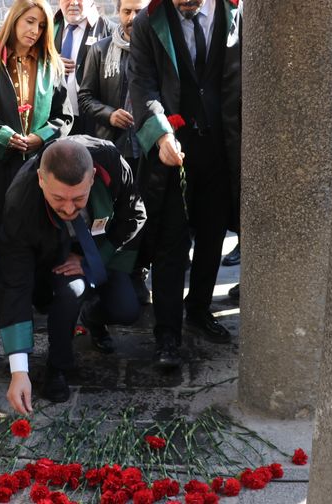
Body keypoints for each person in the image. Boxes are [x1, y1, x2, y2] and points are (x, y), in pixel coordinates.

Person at [0, 137, 145, 414]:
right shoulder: (20, 201)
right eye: (58, 199)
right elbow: (15, 281)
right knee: (69, 292)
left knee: (127, 310)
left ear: (93, 177)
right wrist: (19, 371)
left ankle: (92, 316)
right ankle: (58, 367)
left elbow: (134, 214)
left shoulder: (111, 161)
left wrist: (93, 259)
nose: (68, 209)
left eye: (78, 199)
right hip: (52, 256)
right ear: (41, 180)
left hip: (99, 246)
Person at [128, 0, 242, 368]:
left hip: (222, 146)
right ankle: (167, 334)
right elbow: (142, 85)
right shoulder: (148, 21)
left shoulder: (235, 11)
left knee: (213, 236)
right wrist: (161, 135)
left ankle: (198, 309)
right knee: (171, 241)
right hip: (172, 150)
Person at [0, 0, 73, 251]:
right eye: (30, 21)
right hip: (0, 166)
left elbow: (64, 117)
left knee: (37, 234)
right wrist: (4, 136)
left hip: (38, 165)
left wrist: (40, 137)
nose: (35, 31)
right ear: (14, 20)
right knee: (2, 236)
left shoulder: (51, 66)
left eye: (41, 26)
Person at [78, 0, 150, 305]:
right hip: (113, 148)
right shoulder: (100, 49)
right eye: (126, 11)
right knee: (113, 213)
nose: (132, 17)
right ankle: (111, 274)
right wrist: (109, 114)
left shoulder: (155, 48)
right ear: (117, 13)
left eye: (138, 11)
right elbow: (85, 97)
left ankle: (139, 273)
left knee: (144, 214)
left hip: (147, 148)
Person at [53, 0, 115, 135]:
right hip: (56, 121)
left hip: (94, 124)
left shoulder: (109, 31)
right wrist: (50, 62)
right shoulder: (48, 28)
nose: (73, 3)